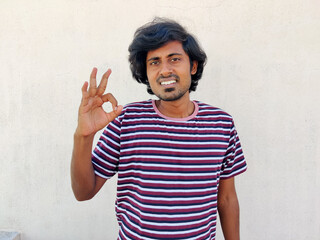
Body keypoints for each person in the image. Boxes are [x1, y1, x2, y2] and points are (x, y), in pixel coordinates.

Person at [71, 18, 247, 240]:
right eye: (154, 62)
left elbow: (227, 199)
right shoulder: (126, 121)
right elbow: (83, 193)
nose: (165, 70)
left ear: (192, 66)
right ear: (145, 71)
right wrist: (84, 135)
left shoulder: (221, 124)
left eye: (174, 59)